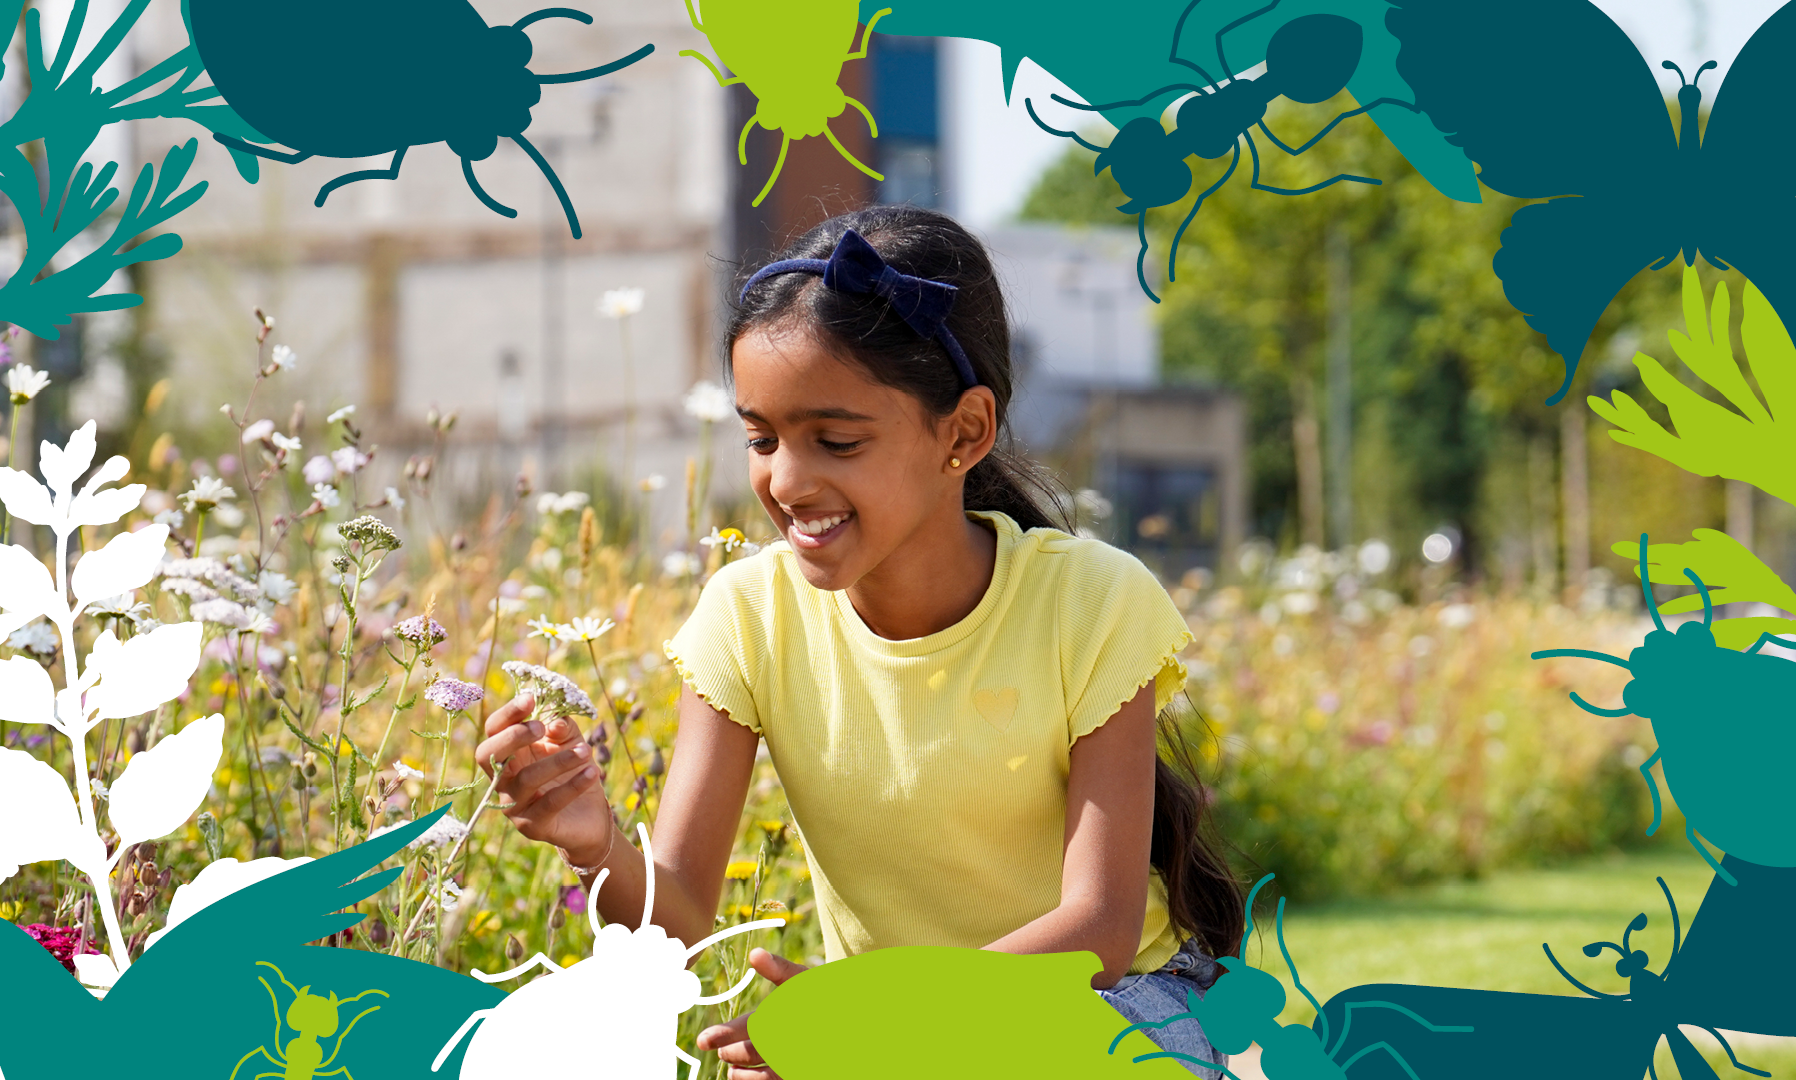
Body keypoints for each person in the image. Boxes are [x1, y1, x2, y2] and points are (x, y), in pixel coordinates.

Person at [475, 204, 1244, 1080]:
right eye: (761, 438)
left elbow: (1099, 932)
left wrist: (869, 1025)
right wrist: (593, 841)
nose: (787, 481)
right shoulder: (748, 618)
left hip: (1109, 1007)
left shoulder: (1092, 601)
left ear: (963, 432)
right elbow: (679, 914)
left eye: (834, 440)